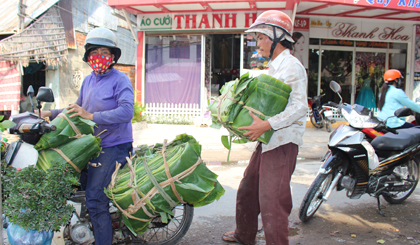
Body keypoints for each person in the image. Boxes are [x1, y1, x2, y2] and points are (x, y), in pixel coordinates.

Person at [40, 27, 134, 245]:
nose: (98, 57)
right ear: (88, 56)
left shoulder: (119, 80)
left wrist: (92, 115)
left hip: (114, 146)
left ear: (112, 57)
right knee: (76, 185)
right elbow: (77, 109)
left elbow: (127, 111)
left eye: (104, 52)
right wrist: (49, 113)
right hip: (93, 144)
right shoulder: (89, 80)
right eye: (94, 52)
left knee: (94, 198)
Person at [222, 10, 308, 245]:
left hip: (282, 142)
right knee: (248, 189)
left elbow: (300, 107)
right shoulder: (275, 66)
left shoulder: (292, 67)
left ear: (276, 36)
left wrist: (267, 124)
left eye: (260, 37)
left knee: (273, 200)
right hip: (268, 140)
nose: (256, 42)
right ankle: (244, 234)